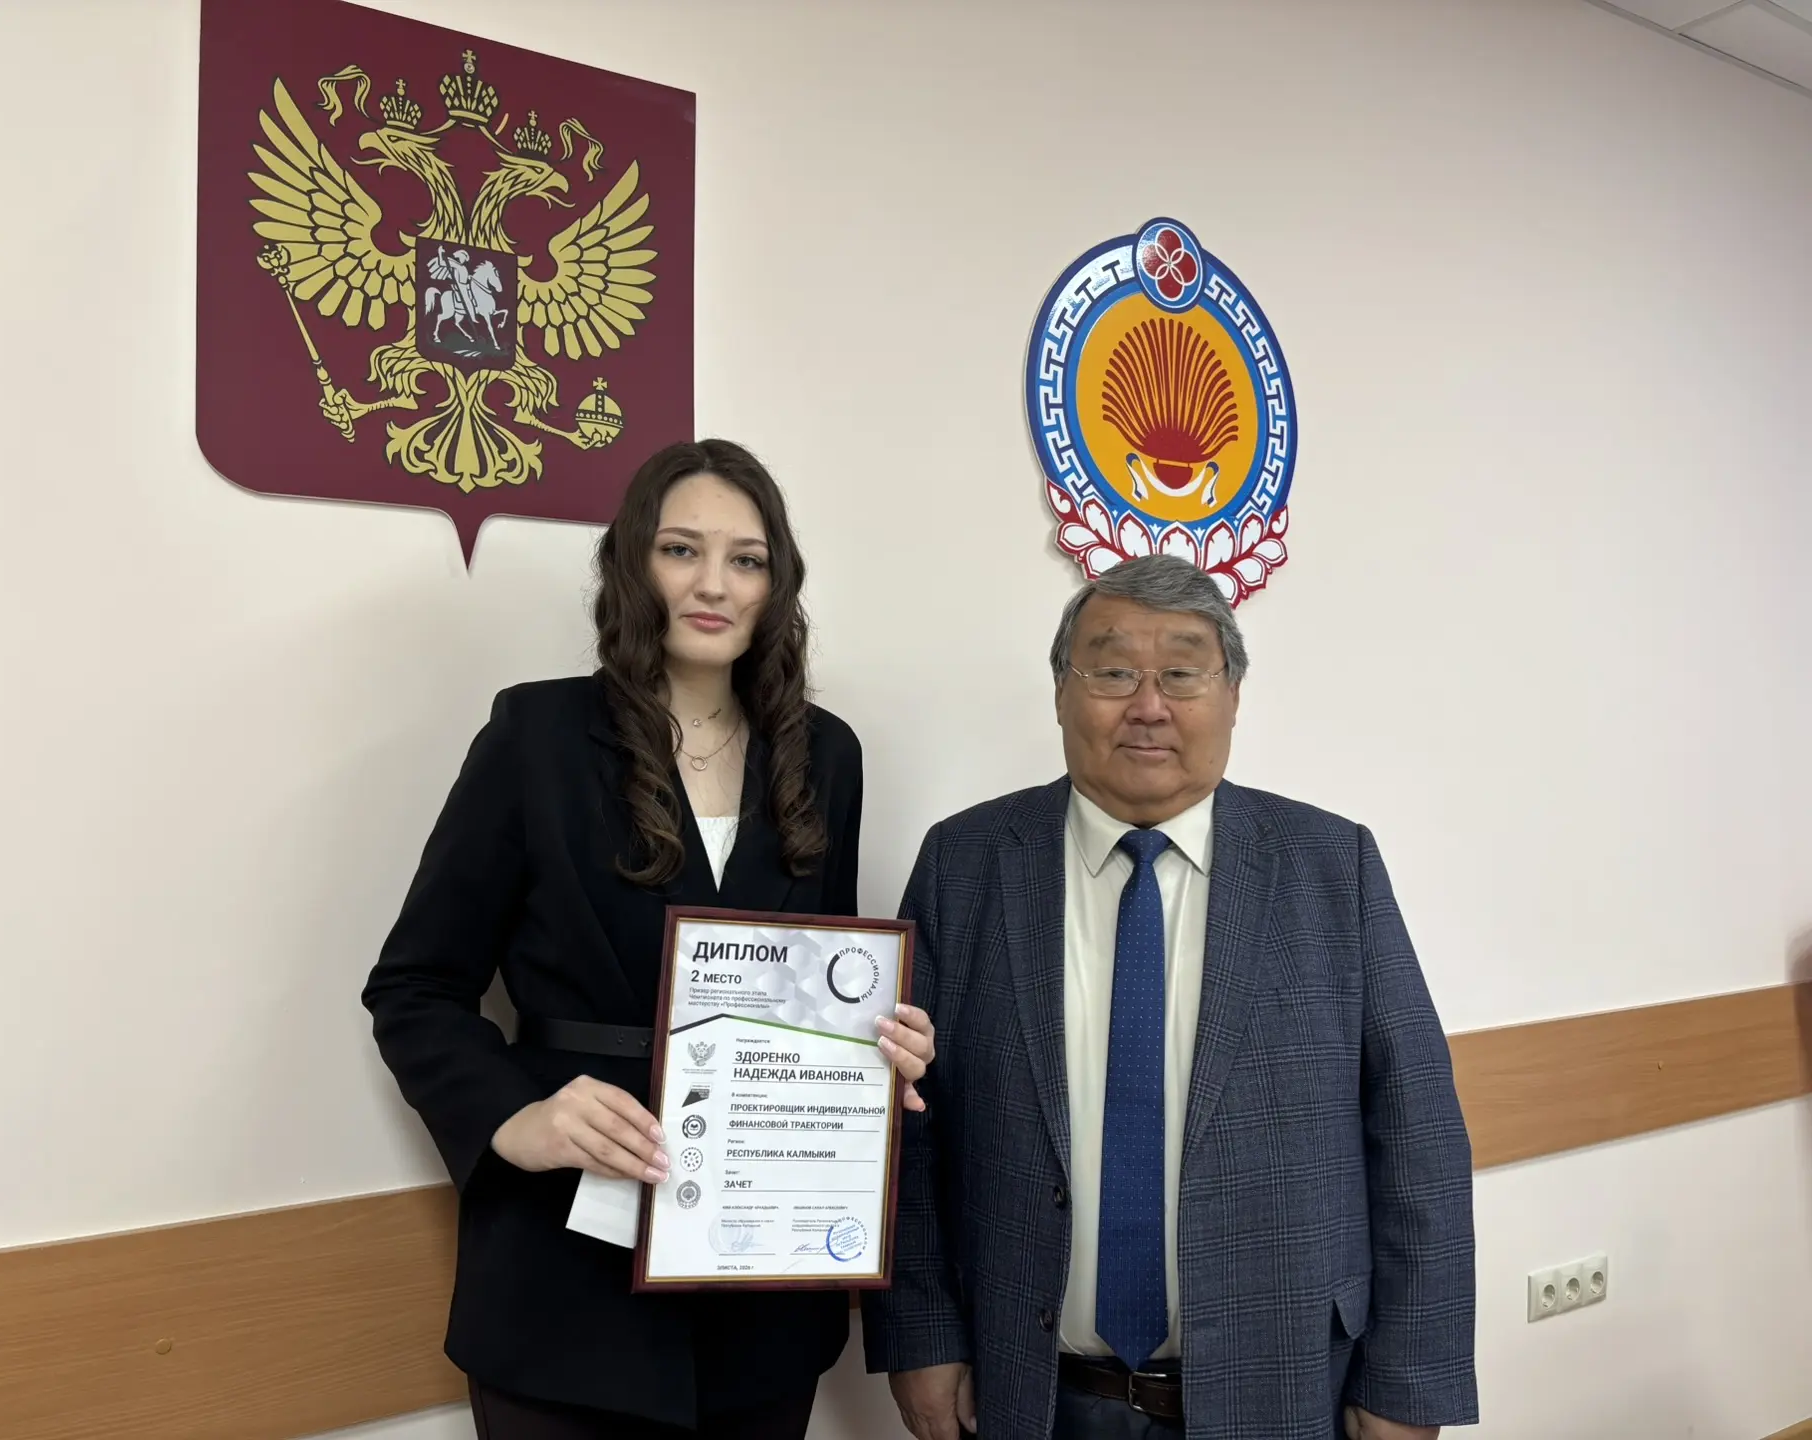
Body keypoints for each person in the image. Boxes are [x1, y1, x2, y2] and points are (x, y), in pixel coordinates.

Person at [363, 439, 936, 1439]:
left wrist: (876, 1050)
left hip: (762, 1286)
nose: (714, 584)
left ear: (777, 585)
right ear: (634, 563)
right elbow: (415, 988)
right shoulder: (536, 736)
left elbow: (818, 987)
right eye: (682, 550)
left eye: (747, 560)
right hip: (564, 1288)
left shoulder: (826, 755)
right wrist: (513, 1115)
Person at [863, 555, 1476, 1440]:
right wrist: (920, 1336)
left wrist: (1409, 1384)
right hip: (1031, 1390)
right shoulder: (965, 863)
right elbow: (908, 1122)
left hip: (1284, 1388)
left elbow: (1416, 1134)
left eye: (1183, 673)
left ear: (1232, 696)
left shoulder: (1330, 866)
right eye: (1112, 671)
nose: (1148, 705)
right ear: (1062, 693)